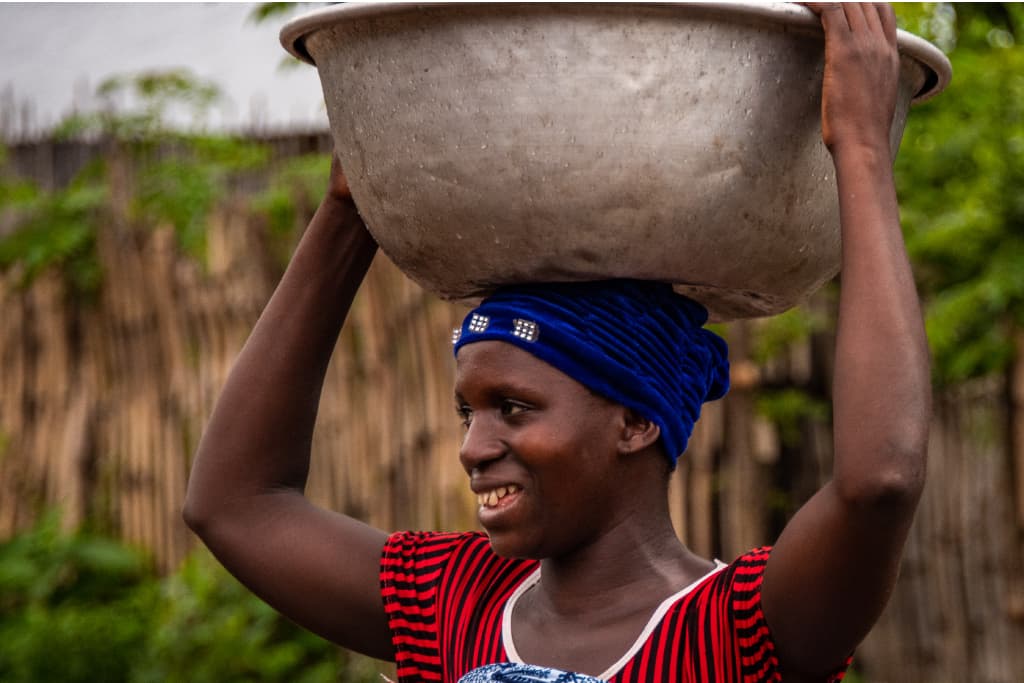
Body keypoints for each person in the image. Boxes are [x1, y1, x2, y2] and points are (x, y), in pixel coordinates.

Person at [184, 4, 931, 682]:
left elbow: (880, 483)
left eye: (512, 407)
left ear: (635, 420)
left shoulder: (740, 630)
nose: (473, 446)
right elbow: (234, 503)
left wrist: (860, 150)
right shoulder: (454, 602)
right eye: (468, 411)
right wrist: (352, 203)